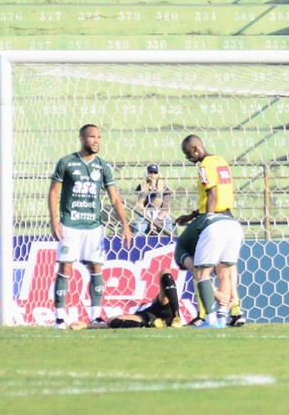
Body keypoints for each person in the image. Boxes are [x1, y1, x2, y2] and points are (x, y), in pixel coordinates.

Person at [48, 124, 133, 329]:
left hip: (94, 226)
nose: (96, 141)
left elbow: (114, 197)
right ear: (81, 138)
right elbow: (53, 192)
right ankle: (59, 317)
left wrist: (125, 224)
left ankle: (95, 316)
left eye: (99, 137)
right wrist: (54, 220)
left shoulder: (103, 166)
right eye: (92, 137)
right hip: (70, 225)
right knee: (65, 267)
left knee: (96, 267)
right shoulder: (66, 162)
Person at [176, 134, 244, 329]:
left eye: (188, 153)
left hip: (213, 222)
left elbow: (212, 194)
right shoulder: (221, 161)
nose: (188, 158)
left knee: (200, 269)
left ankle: (209, 317)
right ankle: (225, 316)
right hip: (229, 219)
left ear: (196, 149)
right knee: (225, 270)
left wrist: (208, 218)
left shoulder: (204, 166)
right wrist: (191, 216)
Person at [69, 271, 183, 329]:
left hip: (156, 309)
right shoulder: (140, 312)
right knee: (112, 321)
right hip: (147, 317)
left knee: (165, 273)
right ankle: (158, 322)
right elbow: (107, 325)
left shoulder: (150, 306)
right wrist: (85, 325)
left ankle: (176, 317)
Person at [132, 163, 174, 235]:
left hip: (160, 215)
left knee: (168, 226)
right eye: (150, 172)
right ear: (147, 174)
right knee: (139, 227)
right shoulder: (141, 187)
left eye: (155, 172)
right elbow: (140, 206)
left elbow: (165, 209)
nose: (152, 175)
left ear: (158, 174)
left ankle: (172, 243)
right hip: (145, 215)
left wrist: (156, 222)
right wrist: (149, 221)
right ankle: (137, 244)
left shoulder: (164, 188)